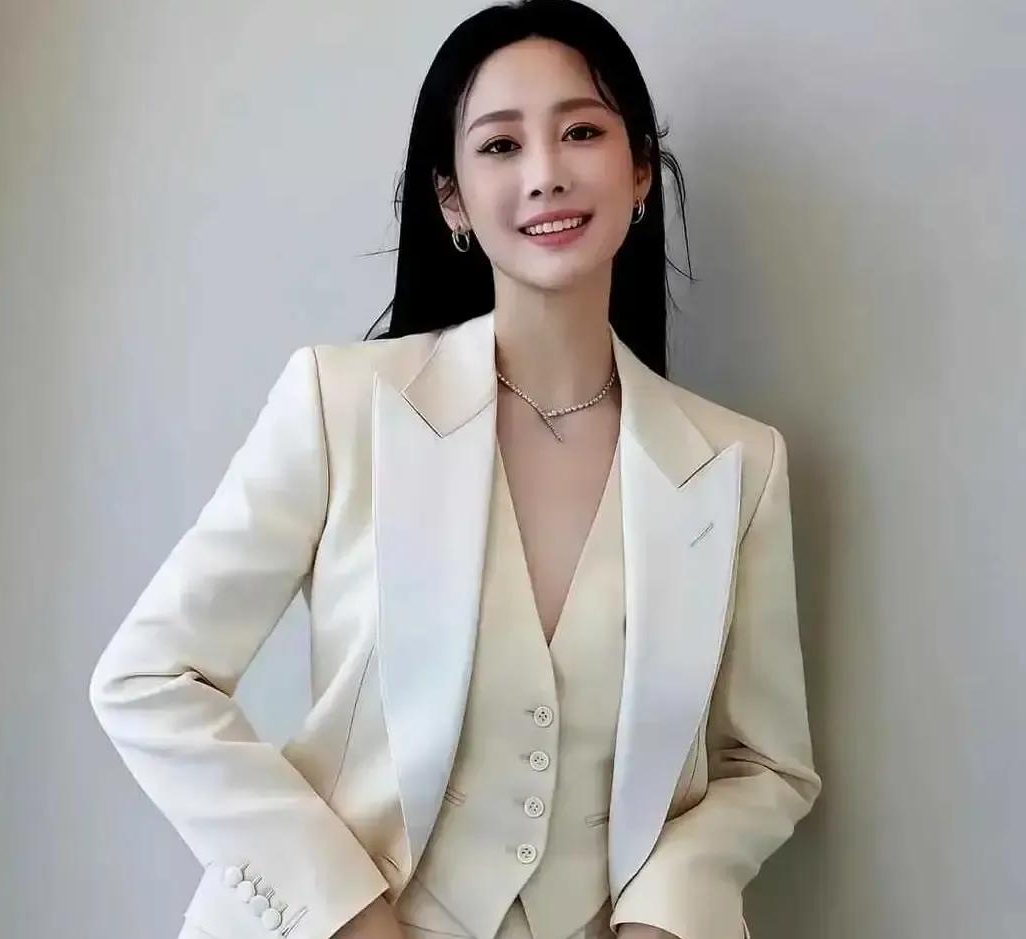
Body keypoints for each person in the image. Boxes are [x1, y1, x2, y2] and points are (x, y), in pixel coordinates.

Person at [88, 2, 821, 939]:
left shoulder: (739, 463)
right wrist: (345, 911)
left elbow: (767, 764)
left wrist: (666, 913)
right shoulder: (340, 405)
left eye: (582, 132)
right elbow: (150, 677)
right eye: (501, 145)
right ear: (452, 201)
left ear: (641, 170)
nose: (546, 173)